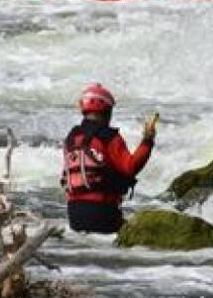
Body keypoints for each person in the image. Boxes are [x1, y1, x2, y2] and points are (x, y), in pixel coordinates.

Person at [61, 83, 157, 234]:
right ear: (107, 111)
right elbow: (130, 167)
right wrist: (147, 141)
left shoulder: (72, 138)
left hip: (74, 216)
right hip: (103, 214)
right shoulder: (110, 137)